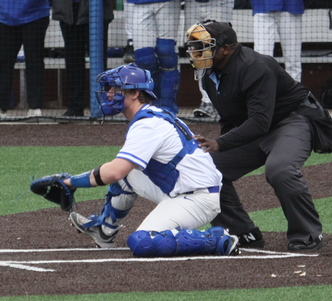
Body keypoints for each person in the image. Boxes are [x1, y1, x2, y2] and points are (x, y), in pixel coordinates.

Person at [60, 64, 238, 258]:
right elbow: (120, 170)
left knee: (142, 242)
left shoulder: (148, 125)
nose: (109, 94)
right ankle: (104, 230)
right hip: (180, 187)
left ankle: (216, 239)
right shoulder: (150, 117)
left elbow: (113, 172)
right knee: (128, 172)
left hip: (197, 199)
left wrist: (69, 182)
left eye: (114, 88)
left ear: (135, 93)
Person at [185, 20, 325, 251]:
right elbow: (231, 118)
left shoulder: (256, 66)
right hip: (257, 127)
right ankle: (242, 232)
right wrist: (220, 151)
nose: (195, 52)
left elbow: (260, 122)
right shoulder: (209, 71)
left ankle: (308, 234)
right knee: (203, 167)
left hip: (292, 121)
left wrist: (220, 143)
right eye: (194, 46)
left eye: (203, 46)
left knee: (280, 169)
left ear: (226, 49)